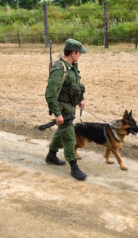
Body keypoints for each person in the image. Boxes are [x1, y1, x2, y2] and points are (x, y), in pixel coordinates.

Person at [45, 39, 87, 181]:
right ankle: (74, 167)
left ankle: (51, 155)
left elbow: (76, 85)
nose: (80, 55)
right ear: (73, 53)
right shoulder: (59, 69)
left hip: (71, 107)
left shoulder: (72, 66)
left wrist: (81, 99)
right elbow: (50, 94)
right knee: (69, 137)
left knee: (61, 132)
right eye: (79, 53)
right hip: (63, 109)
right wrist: (57, 114)